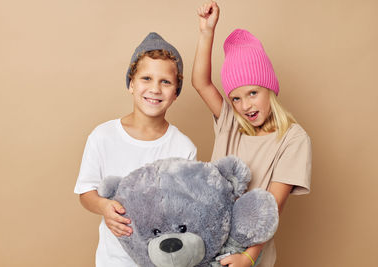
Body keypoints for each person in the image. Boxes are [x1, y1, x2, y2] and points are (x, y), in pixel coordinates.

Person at [192, 1, 311, 267]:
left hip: (249, 256)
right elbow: (201, 83)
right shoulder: (229, 124)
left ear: (270, 88)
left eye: (253, 93)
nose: (245, 106)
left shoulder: (293, 139)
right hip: (205, 248)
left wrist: (249, 256)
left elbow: (272, 206)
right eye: (235, 98)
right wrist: (206, 32)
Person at [74, 32, 197, 267]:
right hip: (113, 260)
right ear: (131, 83)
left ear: (176, 93)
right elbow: (86, 192)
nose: (155, 89)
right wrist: (104, 206)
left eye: (166, 82)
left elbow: (183, 210)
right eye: (146, 78)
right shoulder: (103, 136)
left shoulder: (184, 148)